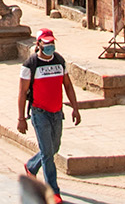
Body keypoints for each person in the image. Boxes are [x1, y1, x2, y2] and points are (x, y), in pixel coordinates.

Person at [17, 28, 81, 203]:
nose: (50, 46)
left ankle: (31, 166)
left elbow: (67, 85)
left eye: (52, 43)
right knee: (47, 154)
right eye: (46, 44)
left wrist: (75, 108)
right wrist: (21, 118)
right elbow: (22, 93)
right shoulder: (30, 65)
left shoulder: (59, 61)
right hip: (40, 114)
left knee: (54, 148)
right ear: (38, 44)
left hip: (56, 113)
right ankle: (53, 191)